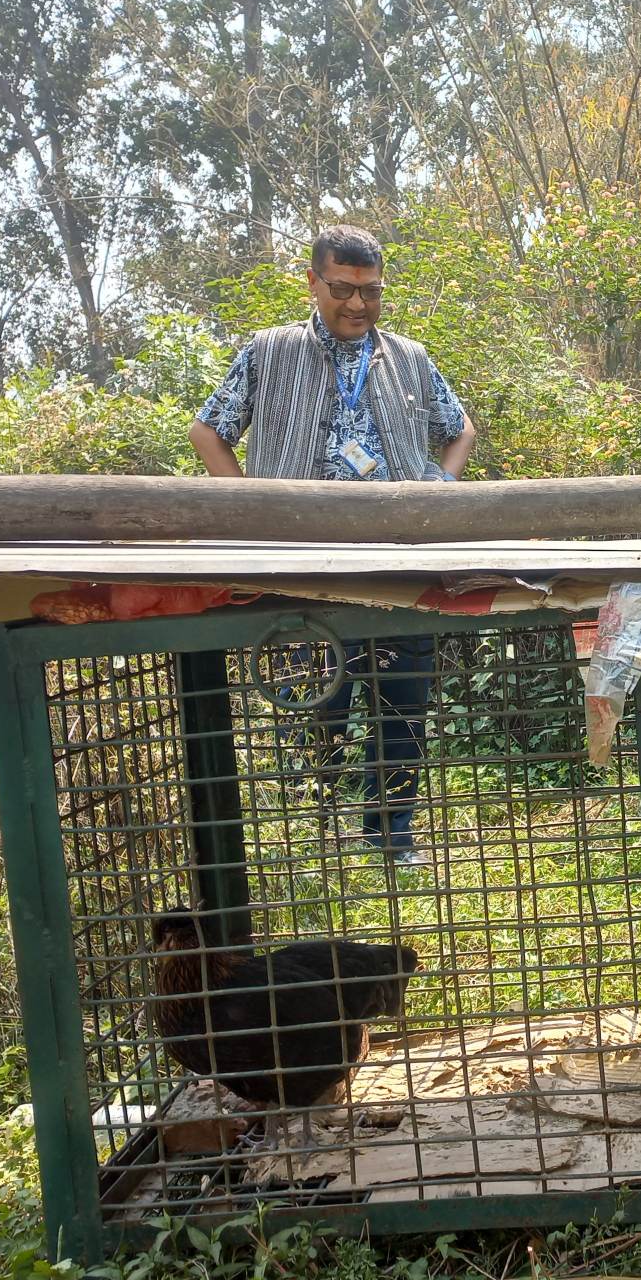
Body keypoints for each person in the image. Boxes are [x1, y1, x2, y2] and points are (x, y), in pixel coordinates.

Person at [190, 225, 476, 867]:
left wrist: (441, 488)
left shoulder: (409, 356)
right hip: (302, 567)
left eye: (370, 291)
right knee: (319, 699)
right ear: (314, 283)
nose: (357, 304)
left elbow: (459, 430)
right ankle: (315, 824)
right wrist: (250, 508)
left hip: (401, 563)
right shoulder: (269, 351)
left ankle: (389, 831)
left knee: (403, 696)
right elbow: (209, 431)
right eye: (343, 289)